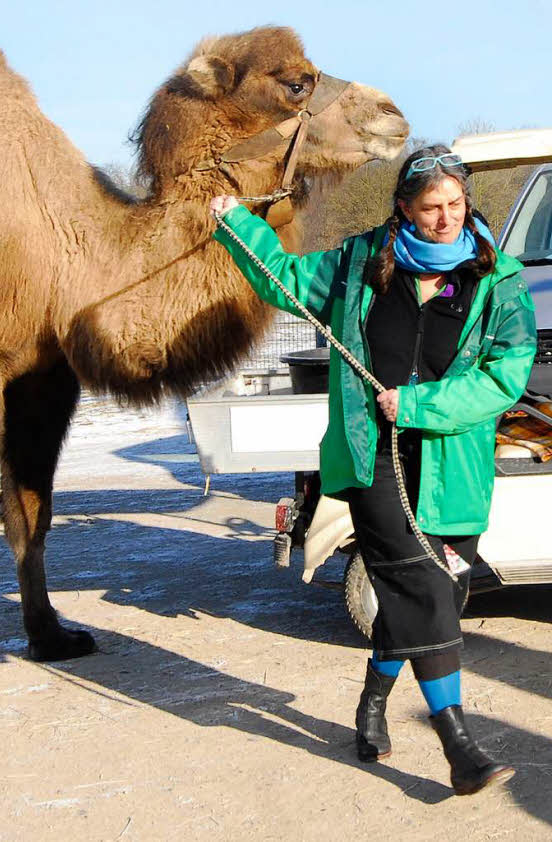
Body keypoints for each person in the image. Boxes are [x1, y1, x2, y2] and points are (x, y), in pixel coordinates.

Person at [209, 144, 537, 796]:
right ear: (403, 209)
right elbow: (283, 278)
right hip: (368, 456)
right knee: (420, 584)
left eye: (454, 204)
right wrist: (235, 223)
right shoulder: (360, 263)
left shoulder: (499, 280)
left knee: (443, 593)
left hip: (452, 465)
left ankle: (372, 697)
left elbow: (506, 377)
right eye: (429, 208)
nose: (445, 219)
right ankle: (458, 744)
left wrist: (415, 403)